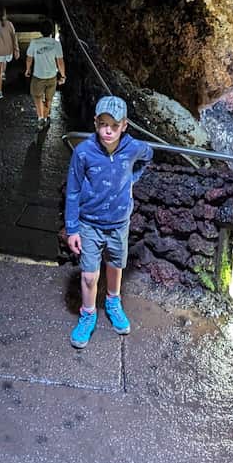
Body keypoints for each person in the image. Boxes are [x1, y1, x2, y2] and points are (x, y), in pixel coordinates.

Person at [64, 96, 154, 349]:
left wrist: (133, 178)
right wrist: (72, 229)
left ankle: (113, 302)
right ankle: (88, 314)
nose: (108, 130)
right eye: (103, 124)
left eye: (114, 126)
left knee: (116, 265)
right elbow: (72, 191)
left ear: (124, 125)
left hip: (118, 222)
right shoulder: (83, 152)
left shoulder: (133, 147)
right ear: (95, 122)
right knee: (90, 275)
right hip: (89, 223)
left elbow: (149, 154)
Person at [24, 20, 65, 129]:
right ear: (51, 31)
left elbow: (29, 58)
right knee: (49, 99)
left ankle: (41, 118)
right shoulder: (56, 44)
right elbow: (60, 62)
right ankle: (46, 118)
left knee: (37, 97)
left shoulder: (34, 43)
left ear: (41, 31)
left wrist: (27, 70)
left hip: (38, 76)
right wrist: (63, 75)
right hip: (52, 77)